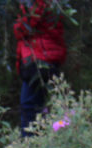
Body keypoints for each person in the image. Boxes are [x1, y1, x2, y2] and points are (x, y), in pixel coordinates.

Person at [13, 0, 67, 137]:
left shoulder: (38, 3)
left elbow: (23, 28)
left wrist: (18, 25)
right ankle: (36, 147)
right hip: (42, 57)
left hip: (40, 59)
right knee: (35, 107)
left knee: (29, 108)